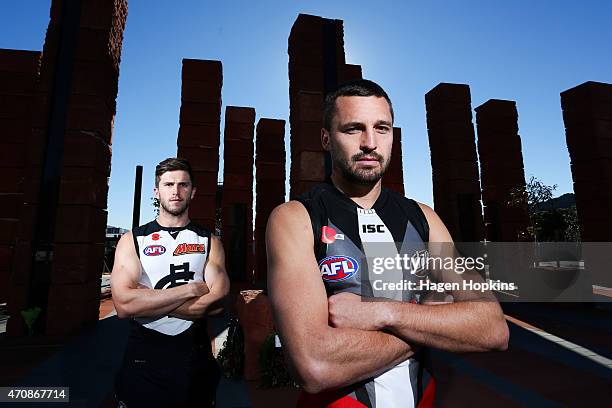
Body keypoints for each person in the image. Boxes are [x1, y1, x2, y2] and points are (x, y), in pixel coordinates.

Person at [266, 80, 509, 407]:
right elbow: (315, 366)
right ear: (326, 138)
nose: (370, 142)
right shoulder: (296, 219)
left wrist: (385, 313)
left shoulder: (422, 217)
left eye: (382, 128)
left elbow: (493, 329)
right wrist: (432, 324)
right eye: (353, 129)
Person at [111, 157, 229, 408]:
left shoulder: (210, 242)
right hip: (143, 359)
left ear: (193, 191)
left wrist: (145, 300)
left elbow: (217, 303)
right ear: (156, 191)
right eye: (168, 184)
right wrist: (188, 290)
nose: (175, 191)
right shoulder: (133, 240)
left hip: (193, 358)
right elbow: (122, 305)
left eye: (183, 185)